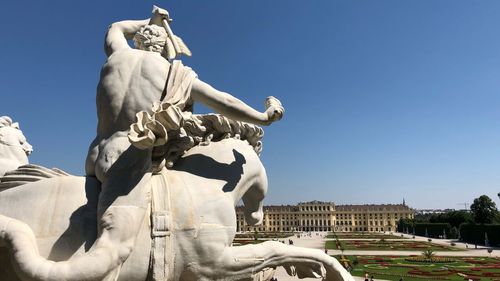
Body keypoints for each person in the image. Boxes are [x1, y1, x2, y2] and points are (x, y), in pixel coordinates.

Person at [83, 6, 284, 280]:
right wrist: (262, 118)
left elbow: (115, 28)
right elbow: (224, 102)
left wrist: (150, 20)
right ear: (165, 44)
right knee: (110, 257)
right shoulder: (174, 74)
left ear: (139, 39)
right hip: (126, 160)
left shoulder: (119, 55)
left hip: (95, 155)